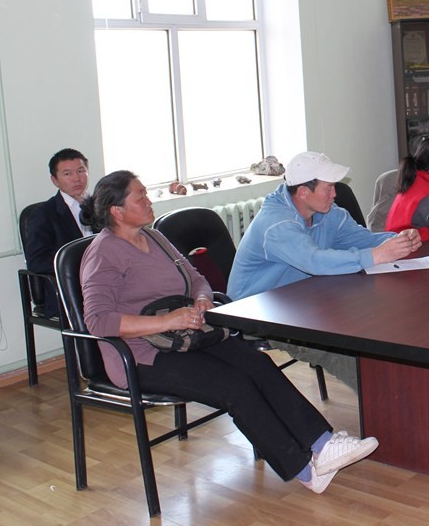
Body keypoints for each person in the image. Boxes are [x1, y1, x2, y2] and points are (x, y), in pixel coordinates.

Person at [79, 170, 379, 494]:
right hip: (142, 355)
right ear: (117, 211)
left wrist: (202, 299)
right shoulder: (103, 253)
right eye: (141, 196)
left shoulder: (154, 237)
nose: (149, 201)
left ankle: (323, 443)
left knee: (257, 364)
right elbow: (98, 320)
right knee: (234, 385)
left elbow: (195, 277)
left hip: (186, 335)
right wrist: (168, 322)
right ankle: (304, 469)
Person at [228, 151, 423, 390]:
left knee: (379, 319)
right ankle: (384, 394)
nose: (335, 194)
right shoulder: (276, 224)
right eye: (328, 188)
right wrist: (377, 254)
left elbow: (363, 239)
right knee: (342, 346)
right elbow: (314, 261)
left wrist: (397, 240)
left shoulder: (327, 213)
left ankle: (404, 387)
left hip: (303, 298)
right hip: (260, 312)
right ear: (303, 192)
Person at [24, 148, 92, 319]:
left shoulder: (100, 206)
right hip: (70, 289)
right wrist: (83, 267)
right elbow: (37, 261)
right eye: (68, 174)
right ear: (55, 180)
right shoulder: (44, 214)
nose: (76, 178)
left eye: (81, 171)